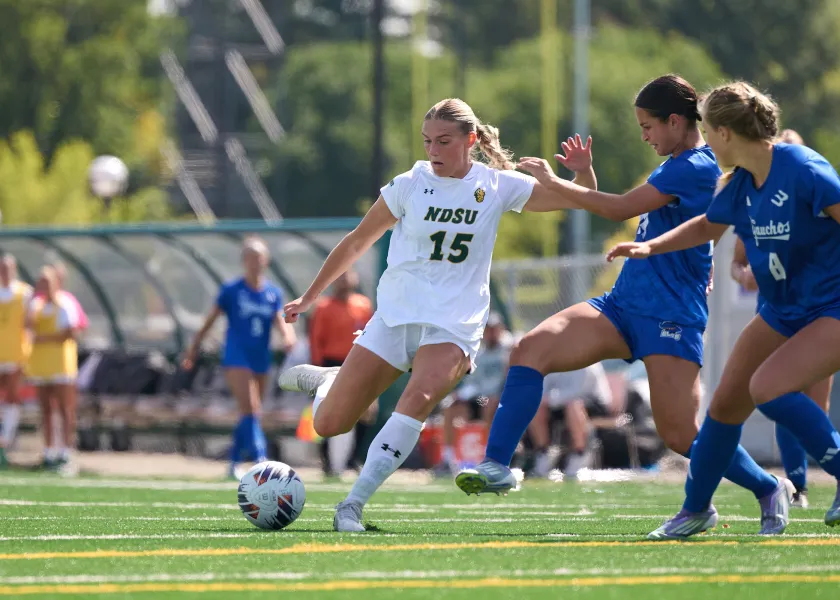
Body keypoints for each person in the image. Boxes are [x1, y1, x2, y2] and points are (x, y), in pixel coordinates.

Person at [456, 74, 790, 535]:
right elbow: (612, 204)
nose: (644, 136)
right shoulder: (676, 161)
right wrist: (581, 179)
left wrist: (555, 182)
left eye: (648, 126)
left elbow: (618, 209)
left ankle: (767, 487)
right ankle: (495, 465)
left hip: (671, 315)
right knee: (531, 347)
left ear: (676, 121)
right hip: (622, 305)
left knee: (680, 435)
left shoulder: (694, 166)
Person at [278, 97, 585, 532]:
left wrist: (581, 174)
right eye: (427, 141)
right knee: (329, 424)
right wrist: (310, 296)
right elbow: (355, 241)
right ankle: (330, 382)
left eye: (443, 141)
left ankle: (352, 505)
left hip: (453, 325)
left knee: (416, 402)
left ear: (470, 140)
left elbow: (576, 200)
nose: (433, 151)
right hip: (396, 317)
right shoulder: (409, 183)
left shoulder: (497, 185)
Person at [607, 81, 840, 538]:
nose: (705, 140)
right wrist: (650, 246)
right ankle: (694, 511)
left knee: (768, 390)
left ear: (726, 132)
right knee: (724, 406)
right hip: (782, 309)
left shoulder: (802, 167)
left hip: (830, 305)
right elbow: (707, 225)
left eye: (708, 131)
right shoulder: (739, 182)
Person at [730, 128, 832, 509]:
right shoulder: (755, 198)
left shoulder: (815, 187)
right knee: (773, 393)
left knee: (814, 404)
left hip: (821, 310)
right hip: (776, 313)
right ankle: (798, 486)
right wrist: (745, 274)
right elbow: (737, 261)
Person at [182, 237, 297, 479]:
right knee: (251, 408)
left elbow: (280, 320)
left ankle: (233, 463)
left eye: (259, 258)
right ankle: (261, 458)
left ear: (266, 261)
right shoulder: (232, 291)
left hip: (260, 357)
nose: (255, 263)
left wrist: (288, 336)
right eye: (250, 258)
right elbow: (210, 321)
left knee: (250, 412)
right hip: (236, 356)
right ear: (244, 261)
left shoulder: (272, 292)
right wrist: (193, 348)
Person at [308, 270, 374, 476]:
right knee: (328, 409)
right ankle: (327, 461)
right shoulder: (324, 307)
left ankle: (354, 458)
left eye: (348, 275)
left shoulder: (363, 305)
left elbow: (371, 335)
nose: (344, 279)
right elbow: (316, 340)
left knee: (367, 410)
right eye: (340, 275)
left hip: (357, 362)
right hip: (332, 363)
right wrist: (319, 369)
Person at [437, 312, 511, 474]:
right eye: (488, 329)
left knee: (489, 405)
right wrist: (460, 395)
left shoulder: (508, 351)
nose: (491, 333)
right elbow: (473, 382)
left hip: (499, 399)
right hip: (479, 398)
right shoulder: (479, 353)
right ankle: (448, 459)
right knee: (451, 407)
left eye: (494, 329)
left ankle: (488, 457)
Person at [27, 266, 81, 473]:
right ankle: (49, 452)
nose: (42, 286)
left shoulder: (65, 303)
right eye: (40, 282)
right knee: (47, 409)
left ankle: (66, 453)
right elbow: (27, 325)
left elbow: (71, 333)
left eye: (46, 282)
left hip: (61, 363)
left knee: (65, 408)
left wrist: (43, 339)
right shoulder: (37, 305)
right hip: (42, 363)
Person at [528, 362, 613, 478]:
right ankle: (543, 453)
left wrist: (549, 399)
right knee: (535, 407)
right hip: (561, 403)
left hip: (594, 404)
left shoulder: (587, 361)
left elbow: (577, 392)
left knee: (573, 405)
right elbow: (543, 388)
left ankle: (580, 454)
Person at [0, 255, 32, 468]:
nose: (5, 271)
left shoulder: (24, 293)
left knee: (12, 395)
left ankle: (6, 437)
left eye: (8, 268)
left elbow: (30, 323)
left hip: (15, 352)